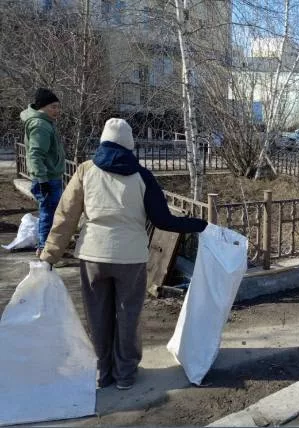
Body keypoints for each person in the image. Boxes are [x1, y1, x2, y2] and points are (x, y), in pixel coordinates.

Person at [40, 118, 208, 390]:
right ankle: (125, 374)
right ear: (130, 144)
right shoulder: (142, 176)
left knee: (97, 316)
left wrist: (49, 255)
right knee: (128, 315)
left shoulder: (85, 170)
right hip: (131, 258)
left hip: (93, 256)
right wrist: (199, 225)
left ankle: (102, 372)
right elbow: (163, 220)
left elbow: (65, 215)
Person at [20, 88, 65, 256]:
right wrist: (42, 180)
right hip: (47, 178)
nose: (57, 110)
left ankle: (46, 247)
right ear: (42, 107)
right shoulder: (40, 125)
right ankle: (45, 249)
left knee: (50, 212)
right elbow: (36, 154)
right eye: (53, 107)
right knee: (48, 213)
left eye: (58, 107)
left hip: (49, 177)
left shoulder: (45, 122)